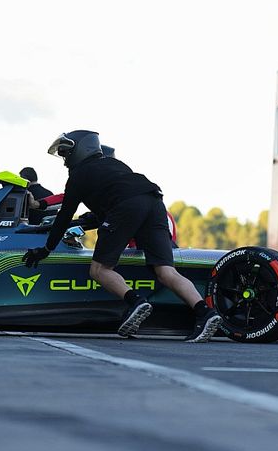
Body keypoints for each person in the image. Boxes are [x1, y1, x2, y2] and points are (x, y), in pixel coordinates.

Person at [21, 130, 221, 342]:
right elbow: (118, 196)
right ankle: (205, 313)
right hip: (155, 203)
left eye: (66, 154)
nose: (64, 162)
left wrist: (46, 249)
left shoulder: (79, 175)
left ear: (79, 149)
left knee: (99, 269)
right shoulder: (116, 165)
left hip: (126, 207)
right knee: (165, 271)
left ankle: (136, 302)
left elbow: (64, 215)